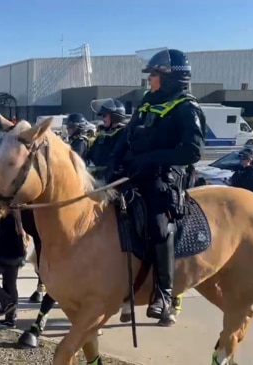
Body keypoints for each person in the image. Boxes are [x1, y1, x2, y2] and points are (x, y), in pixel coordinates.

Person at [107, 48, 205, 326]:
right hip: (136, 171)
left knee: (159, 225)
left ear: (170, 78)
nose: (149, 80)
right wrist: (115, 162)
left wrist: (150, 159)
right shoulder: (149, 100)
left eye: (154, 75)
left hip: (164, 178)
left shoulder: (187, 107)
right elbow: (127, 135)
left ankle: (163, 292)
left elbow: (192, 151)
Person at [86, 99, 128, 179]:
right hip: (98, 177)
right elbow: (90, 153)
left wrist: (104, 170)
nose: (102, 118)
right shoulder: (102, 134)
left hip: (113, 181)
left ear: (115, 116)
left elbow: (117, 160)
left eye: (105, 115)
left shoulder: (123, 134)